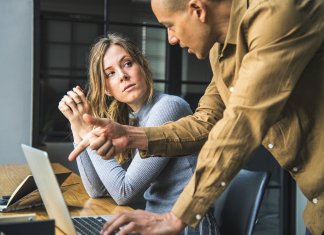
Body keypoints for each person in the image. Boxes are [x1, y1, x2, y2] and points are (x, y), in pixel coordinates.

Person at [69, 0, 324, 234]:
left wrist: (177, 217)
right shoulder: (221, 52)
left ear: (197, 10)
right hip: (317, 210)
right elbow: (206, 121)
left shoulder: (278, 14)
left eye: (170, 25)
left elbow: (242, 120)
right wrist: (130, 135)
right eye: (110, 73)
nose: (170, 39)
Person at [58, 34, 220, 235]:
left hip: (187, 228)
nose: (122, 75)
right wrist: (77, 126)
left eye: (127, 64)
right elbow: (97, 191)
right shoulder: (132, 118)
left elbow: (123, 192)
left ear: (142, 65)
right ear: (107, 90)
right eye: (110, 74)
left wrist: (88, 132)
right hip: (153, 226)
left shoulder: (168, 107)